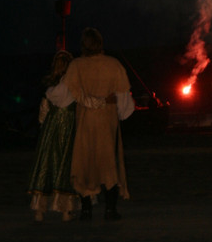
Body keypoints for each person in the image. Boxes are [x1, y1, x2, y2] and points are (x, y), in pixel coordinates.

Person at [46, 27, 134, 221]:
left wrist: (48, 94)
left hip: (85, 120)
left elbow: (63, 95)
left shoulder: (76, 66)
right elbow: (125, 102)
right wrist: (118, 111)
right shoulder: (113, 64)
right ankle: (110, 210)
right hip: (106, 120)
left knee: (84, 163)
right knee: (108, 163)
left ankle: (86, 210)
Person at [27, 50, 80, 222]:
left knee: (47, 166)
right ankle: (66, 210)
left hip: (51, 129)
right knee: (66, 165)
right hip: (69, 129)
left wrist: (45, 126)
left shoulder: (51, 90)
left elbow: (43, 115)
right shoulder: (74, 86)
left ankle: (39, 211)